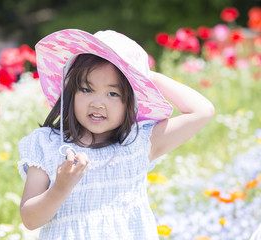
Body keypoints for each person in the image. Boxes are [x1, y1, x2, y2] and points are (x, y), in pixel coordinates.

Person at [17, 29, 215, 239]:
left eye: (113, 93)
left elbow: (202, 111)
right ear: (70, 91)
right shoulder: (48, 145)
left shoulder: (138, 145)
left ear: (130, 102)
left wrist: (144, 76)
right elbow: (30, 219)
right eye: (86, 89)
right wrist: (60, 187)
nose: (97, 103)